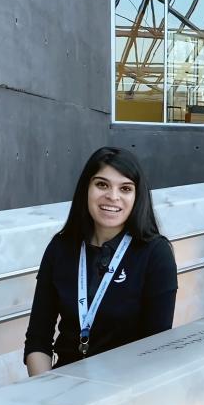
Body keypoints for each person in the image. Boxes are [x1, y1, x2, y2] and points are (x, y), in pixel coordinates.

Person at [24, 147, 177, 376]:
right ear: (86, 188)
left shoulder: (155, 254)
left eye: (125, 188)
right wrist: (47, 393)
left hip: (124, 391)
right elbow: (37, 340)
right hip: (63, 388)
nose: (112, 196)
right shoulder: (60, 247)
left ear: (137, 197)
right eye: (102, 185)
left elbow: (155, 350)